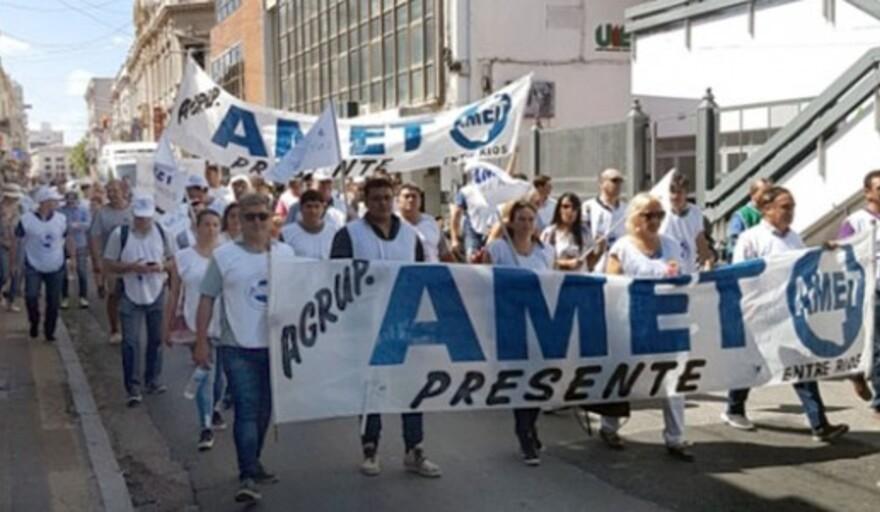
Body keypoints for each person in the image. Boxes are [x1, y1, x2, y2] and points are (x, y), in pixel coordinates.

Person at [330, 176, 442, 479]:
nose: (382, 203)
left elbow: (419, 277)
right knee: (370, 388)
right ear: (366, 200)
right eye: (376, 197)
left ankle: (414, 448)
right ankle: (370, 447)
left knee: (411, 387)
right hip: (364, 324)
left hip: (403, 323)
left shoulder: (410, 235)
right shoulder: (348, 235)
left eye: (387, 197)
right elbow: (336, 281)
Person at [723, 186, 849, 441]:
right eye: (785, 207)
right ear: (767, 209)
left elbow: (803, 265)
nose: (790, 212)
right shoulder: (751, 238)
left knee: (800, 365)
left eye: (792, 207)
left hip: (788, 312)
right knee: (752, 364)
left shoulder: (793, 238)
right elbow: (739, 275)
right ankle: (734, 408)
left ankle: (819, 423)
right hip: (759, 313)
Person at [194, 193, 294, 503]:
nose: (255, 223)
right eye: (248, 217)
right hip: (237, 345)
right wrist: (200, 342)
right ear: (237, 220)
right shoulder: (224, 257)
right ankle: (246, 474)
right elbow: (207, 298)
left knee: (264, 411)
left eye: (262, 216)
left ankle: (254, 460)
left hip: (275, 347)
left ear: (271, 218)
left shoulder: (286, 254)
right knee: (247, 410)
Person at [595, 193, 693, 462]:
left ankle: (676, 437)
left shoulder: (672, 245)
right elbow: (610, 285)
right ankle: (609, 427)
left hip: (668, 321)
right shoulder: (622, 248)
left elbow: (686, 278)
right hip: (631, 322)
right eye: (649, 215)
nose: (655, 220)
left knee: (674, 380)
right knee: (623, 376)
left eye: (660, 215)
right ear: (635, 218)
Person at [481, 200, 555, 466]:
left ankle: (531, 424)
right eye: (521, 219)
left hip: (540, 322)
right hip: (510, 321)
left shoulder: (546, 251)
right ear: (511, 222)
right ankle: (523, 432)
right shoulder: (499, 249)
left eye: (530, 219)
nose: (526, 224)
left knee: (538, 378)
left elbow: (552, 283)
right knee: (519, 377)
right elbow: (483, 280)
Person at [164, 209, 226, 450]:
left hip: (224, 324)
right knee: (205, 376)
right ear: (196, 227)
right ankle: (206, 425)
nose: (210, 229)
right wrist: (166, 326)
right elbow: (174, 294)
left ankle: (216, 406)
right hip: (196, 325)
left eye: (215, 225)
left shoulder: (226, 255)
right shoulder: (183, 257)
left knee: (220, 378)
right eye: (206, 224)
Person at [103, 193, 172, 406]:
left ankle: (153, 378)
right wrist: (132, 267)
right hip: (130, 290)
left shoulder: (162, 232)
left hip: (156, 289)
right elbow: (109, 263)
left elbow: (171, 260)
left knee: (156, 338)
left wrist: (161, 267)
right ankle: (132, 387)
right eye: (139, 218)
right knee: (130, 342)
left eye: (147, 218)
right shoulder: (120, 234)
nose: (143, 222)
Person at [838, 169, 880, 413]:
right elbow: (843, 256)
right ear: (867, 193)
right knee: (876, 345)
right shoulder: (855, 222)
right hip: (871, 289)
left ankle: (858, 371)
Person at [11, 186, 73, 342]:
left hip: (56, 265)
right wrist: (14, 263)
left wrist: (71, 258)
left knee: (53, 301)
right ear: (44, 202)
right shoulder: (26, 220)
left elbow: (68, 238)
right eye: (53, 200)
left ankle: (49, 331)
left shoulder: (61, 219)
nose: (56, 203)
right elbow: (16, 241)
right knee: (31, 296)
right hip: (34, 264)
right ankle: (34, 321)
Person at [90, 180, 132, 344]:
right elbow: (94, 237)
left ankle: (129, 326)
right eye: (109, 191)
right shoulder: (102, 213)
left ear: (123, 191)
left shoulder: (134, 210)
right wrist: (97, 261)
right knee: (114, 294)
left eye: (115, 191)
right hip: (112, 261)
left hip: (133, 260)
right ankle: (114, 328)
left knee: (132, 295)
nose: (112, 194)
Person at [658, 171, 715, 274]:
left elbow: (700, 241)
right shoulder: (660, 212)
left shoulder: (695, 212)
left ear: (686, 193)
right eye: (672, 192)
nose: (675, 196)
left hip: (688, 272)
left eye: (679, 192)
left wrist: (707, 262)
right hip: (666, 273)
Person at [582, 168, 627, 269]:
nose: (618, 185)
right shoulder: (588, 207)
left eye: (620, 182)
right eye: (614, 181)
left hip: (618, 262)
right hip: (597, 262)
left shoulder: (626, 209)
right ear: (602, 183)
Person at [397, 183, 452, 262]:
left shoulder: (431, 222)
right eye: (406, 196)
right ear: (398, 200)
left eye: (414, 196)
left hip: (432, 271)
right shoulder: (392, 223)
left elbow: (444, 253)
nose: (411, 199)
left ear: (420, 200)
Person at [540, 192, 595, 271]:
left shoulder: (585, 231)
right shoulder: (550, 232)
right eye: (565, 206)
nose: (570, 211)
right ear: (559, 209)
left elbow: (590, 262)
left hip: (580, 279)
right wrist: (566, 263)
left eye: (574, 207)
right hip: (558, 279)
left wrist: (600, 250)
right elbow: (543, 260)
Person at [279, 189, 337, 259]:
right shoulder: (286, 233)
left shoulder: (333, 232)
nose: (313, 211)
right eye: (308, 206)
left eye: (317, 206)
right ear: (301, 208)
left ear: (323, 208)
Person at [726, 177, 772, 261]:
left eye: (770, 193)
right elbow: (733, 245)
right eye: (764, 193)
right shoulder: (741, 215)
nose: (768, 197)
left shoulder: (772, 213)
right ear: (753, 194)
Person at [59, 190, 91, 309]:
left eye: (73, 199)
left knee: (81, 271)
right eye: (69, 199)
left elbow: (88, 224)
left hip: (80, 243)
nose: (71, 202)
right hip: (63, 243)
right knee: (63, 273)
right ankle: (64, 297)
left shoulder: (83, 209)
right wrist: (67, 227)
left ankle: (83, 297)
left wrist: (77, 225)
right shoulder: (60, 211)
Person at [1, 183, 25, 312]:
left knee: (17, 272)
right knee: (4, 273)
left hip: (18, 243)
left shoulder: (19, 208)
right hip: (2, 245)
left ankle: (11, 301)